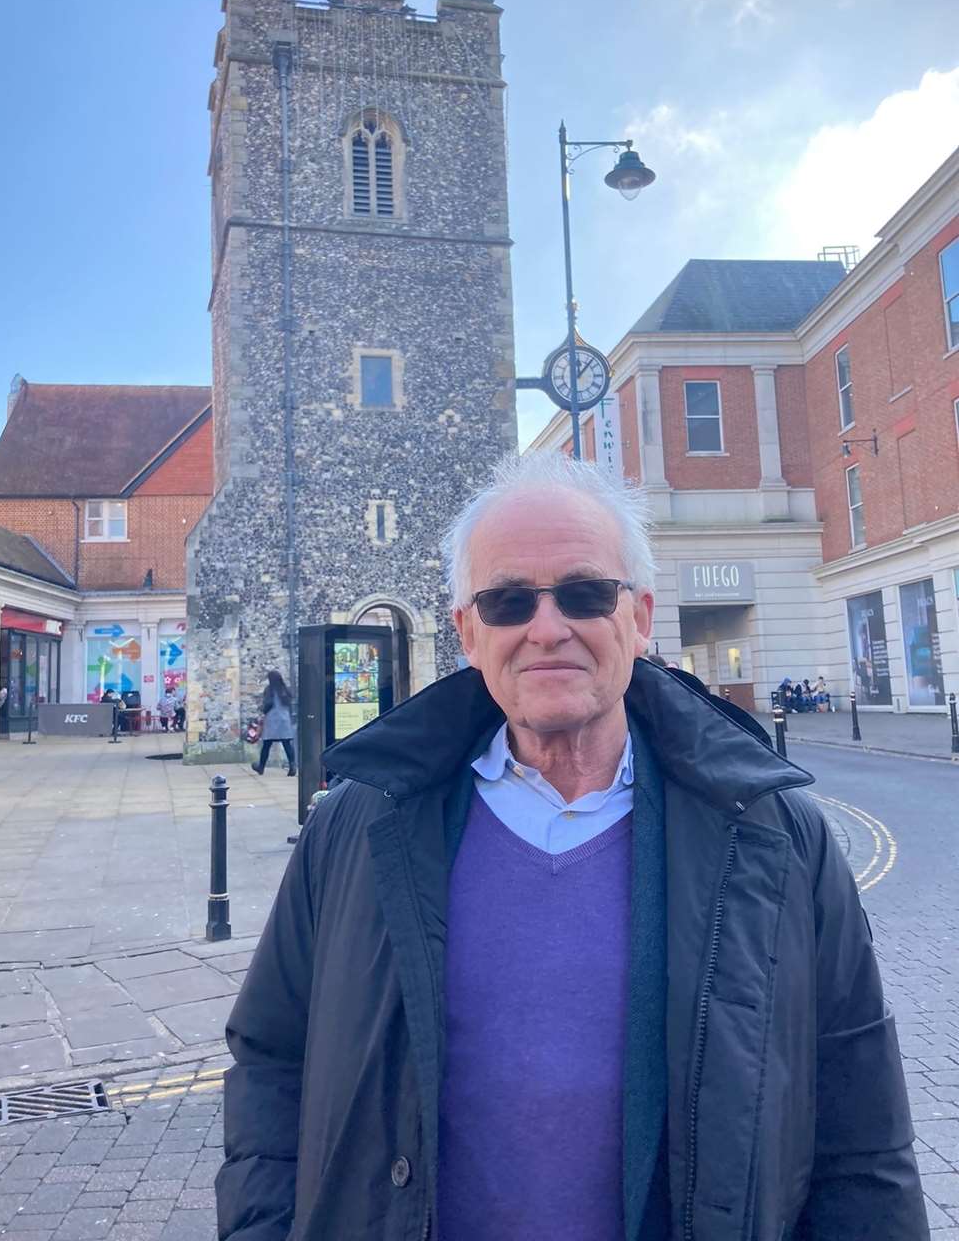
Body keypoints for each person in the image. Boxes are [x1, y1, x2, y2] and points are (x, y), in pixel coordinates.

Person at [217, 452, 927, 1241]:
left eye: (585, 593)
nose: (546, 629)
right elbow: (272, 1060)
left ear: (640, 615)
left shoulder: (774, 832)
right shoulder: (357, 824)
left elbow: (860, 1125)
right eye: (508, 601)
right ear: (468, 631)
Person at [253, 669, 295, 776]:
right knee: (287, 744)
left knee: (266, 745)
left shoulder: (269, 690)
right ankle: (292, 766)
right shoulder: (285, 689)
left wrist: (262, 710)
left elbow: (268, 704)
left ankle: (261, 767)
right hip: (284, 720)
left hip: (272, 720)